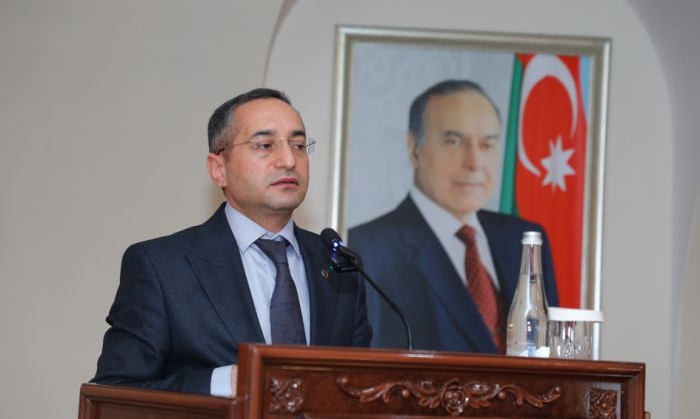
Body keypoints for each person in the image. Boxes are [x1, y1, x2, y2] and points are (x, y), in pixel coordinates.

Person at [92, 88, 372, 396]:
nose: (289, 160)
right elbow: (113, 393)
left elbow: (360, 388)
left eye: (298, 145)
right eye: (265, 145)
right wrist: (225, 383)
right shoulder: (162, 267)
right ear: (219, 169)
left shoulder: (338, 264)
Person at [348, 79, 558, 354]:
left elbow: (550, 351)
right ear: (414, 148)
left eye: (487, 145)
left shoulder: (525, 239)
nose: (474, 162)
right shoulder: (367, 248)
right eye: (454, 142)